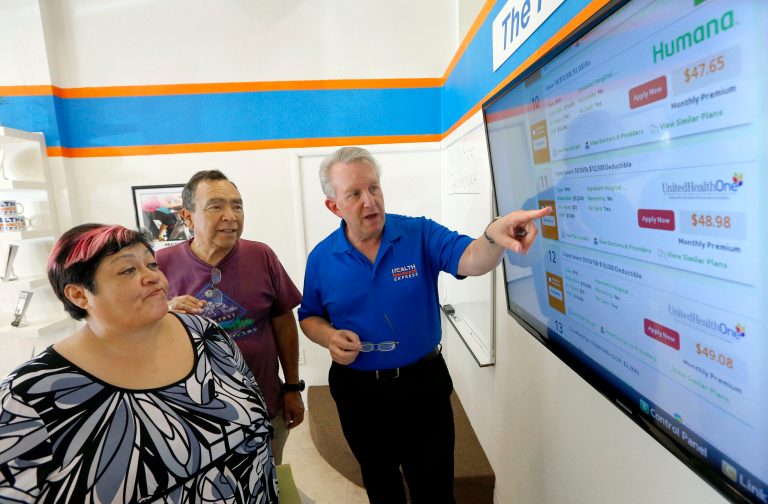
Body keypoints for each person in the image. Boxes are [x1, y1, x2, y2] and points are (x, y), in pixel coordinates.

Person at [298, 147, 551, 504]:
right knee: (381, 487)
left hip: (422, 386)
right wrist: (329, 337)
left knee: (434, 490)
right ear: (334, 206)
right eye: (354, 194)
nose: (370, 201)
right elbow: (309, 316)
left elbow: (472, 258)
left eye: (374, 187)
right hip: (358, 393)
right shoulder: (322, 258)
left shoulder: (418, 233)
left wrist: (493, 236)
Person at [0, 224, 277, 502]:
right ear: (79, 295)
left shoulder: (206, 334)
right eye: (128, 270)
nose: (153, 277)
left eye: (151, 264)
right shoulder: (26, 398)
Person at [157, 170, 304, 464]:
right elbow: (137, 328)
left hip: (264, 403)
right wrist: (165, 308)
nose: (231, 216)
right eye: (216, 206)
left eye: (237, 206)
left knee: (268, 477)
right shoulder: (160, 264)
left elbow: (284, 322)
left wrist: (292, 387)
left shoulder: (261, 256)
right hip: (194, 414)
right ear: (187, 217)